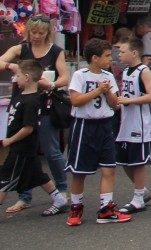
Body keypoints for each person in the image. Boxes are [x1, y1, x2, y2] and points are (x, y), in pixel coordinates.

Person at [0, 14, 69, 215]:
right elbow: (1, 60)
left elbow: (64, 77)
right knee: (24, 152)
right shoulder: (21, 48)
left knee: (51, 150)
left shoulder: (56, 51)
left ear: (48, 33)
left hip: (45, 105)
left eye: (41, 32)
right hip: (21, 104)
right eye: (33, 32)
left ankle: (62, 189)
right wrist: (11, 66)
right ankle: (25, 196)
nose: (37, 36)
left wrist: (52, 84)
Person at [65, 38, 131, 225]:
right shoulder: (80, 75)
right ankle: (76, 208)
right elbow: (76, 100)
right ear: (95, 58)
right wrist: (97, 91)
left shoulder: (108, 76)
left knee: (109, 168)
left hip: (104, 124)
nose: (111, 59)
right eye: (107, 56)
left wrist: (108, 91)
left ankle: (106, 209)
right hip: (84, 125)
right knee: (79, 171)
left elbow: (115, 104)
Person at [114, 37, 151, 214]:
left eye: (122, 51)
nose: (119, 54)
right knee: (124, 161)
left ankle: (138, 197)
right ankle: (142, 190)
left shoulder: (144, 71)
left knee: (137, 162)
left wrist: (130, 100)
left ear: (134, 53)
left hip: (140, 124)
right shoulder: (126, 72)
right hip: (126, 122)